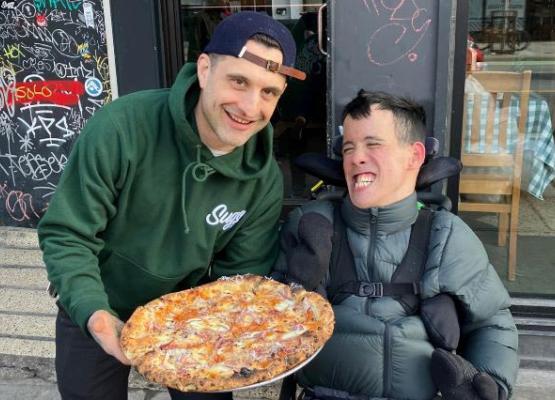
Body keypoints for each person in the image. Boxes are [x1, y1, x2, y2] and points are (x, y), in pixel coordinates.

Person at [38, 11, 305, 400]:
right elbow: (68, 233)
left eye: (269, 92)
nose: (250, 107)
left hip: (187, 316)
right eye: (238, 81)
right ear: (204, 69)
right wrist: (92, 312)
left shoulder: (262, 180)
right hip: (99, 294)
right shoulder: (121, 128)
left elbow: (237, 286)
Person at [272, 90, 519, 400]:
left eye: (372, 144)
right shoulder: (312, 225)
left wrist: (490, 382)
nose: (355, 157)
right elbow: (263, 320)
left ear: (414, 156)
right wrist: (293, 291)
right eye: (348, 147)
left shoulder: (445, 236)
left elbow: (493, 322)